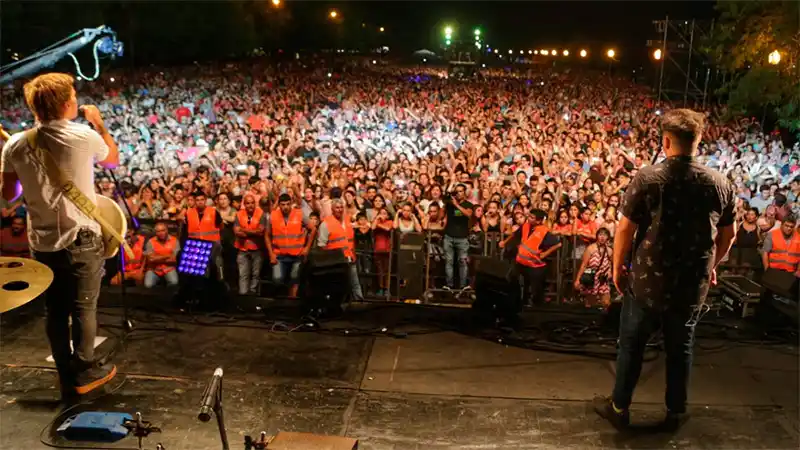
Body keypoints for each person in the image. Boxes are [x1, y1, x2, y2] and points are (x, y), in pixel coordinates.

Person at [597, 109, 737, 431]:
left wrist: (618, 268)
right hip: (691, 286)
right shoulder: (720, 183)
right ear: (698, 142)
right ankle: (676, 412)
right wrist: (712, 266)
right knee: (681, 348)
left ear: (665, 141)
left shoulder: (648, 178)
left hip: (647, 282)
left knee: (631, 345)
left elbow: (624, 229)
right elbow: (727, 236)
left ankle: (619, 408)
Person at [0, 72, 120, 400]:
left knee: (55, 311)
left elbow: (9, 195)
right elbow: (112, 160)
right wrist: (99, 123)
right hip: (80, 237)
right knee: (84, 307)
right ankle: (85, 371)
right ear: (68, 104)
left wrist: (27, 172)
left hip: (41, 241)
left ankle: (66, 374)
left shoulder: (16, 143)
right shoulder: (82, 135)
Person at [316, 198, 364, 301]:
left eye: (341, 207)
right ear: (332, 209)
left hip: (349, 259)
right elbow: (321, 246)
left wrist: (353, 255)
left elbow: (351, 240)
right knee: (336, 286)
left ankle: (360, 305)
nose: (340, 209)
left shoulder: (347, 220)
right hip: (335, 262)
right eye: (337, 208)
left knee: (355, 284)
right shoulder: (326, 224)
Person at [514, 209, 562, 305]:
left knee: (536, 291)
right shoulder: (525, 226)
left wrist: (545, 253)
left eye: (532, 217)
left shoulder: (543, 232)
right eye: (529, 216)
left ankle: (537, 309)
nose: (529, 218)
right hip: (522, 263)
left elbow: (558, 244)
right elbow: (514, 235)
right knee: (521, 287)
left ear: (538, 221)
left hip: (536, 266)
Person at [265, 193, 308, 298]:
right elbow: (267, 235)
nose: (285, 207)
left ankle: (291, 302)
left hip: (296, 254)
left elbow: (313, 228)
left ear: (291, 203)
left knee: (294, 278)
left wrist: (307, 247)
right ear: (279, 205)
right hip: (279, 254)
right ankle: (280, 302)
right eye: (283, 204)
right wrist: (271, 254)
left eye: (288, 204)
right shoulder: (273, 215)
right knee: (277, 279)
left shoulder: (299, 213)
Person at [234, 194, 266, 295]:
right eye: (248, 203)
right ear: (244, 204)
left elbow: (260, 232)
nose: (250, 205)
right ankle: (243, 297)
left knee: (256, 275)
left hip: (257, 249)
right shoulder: (239, 214)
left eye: (252, 203)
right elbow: (237, 232)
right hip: (242, 249)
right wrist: (253, 232)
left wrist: (244, 230)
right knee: (243, 275)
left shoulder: (261, 213)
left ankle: (253, 297)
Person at [443, 184, 474, 289]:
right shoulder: (449, 205)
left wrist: (456, 205)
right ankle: (449, 285)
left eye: (461, 191)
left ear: (465, 192)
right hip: (449, 236)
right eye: (457, 192)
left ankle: (463, 286)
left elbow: (468, 214)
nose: (458, 194)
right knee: (449, 262)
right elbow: (441, 216)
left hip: (462, 238)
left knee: (463, 262)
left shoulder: (468, 205)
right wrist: (446, 203)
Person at [573, 227, 613, 309]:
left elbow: (611, 263)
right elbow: (584, 265)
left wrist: (609, 271)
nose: (602, 237)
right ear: (597, 236)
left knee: (606, 303)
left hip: (603, 278)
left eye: (604, 235)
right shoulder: (591, 248)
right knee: (590, 303)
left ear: (607, 238)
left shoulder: (609, 250)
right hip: (592, 277)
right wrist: (578, 279)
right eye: (600, 234)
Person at [143, 221, 180, 287]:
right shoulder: (150, 241)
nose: (161, 233)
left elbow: (174, 259)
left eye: (163, 230)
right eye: (158, 231)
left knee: (174, 282)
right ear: (155, 232)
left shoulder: (175, 240)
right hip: (153, 269)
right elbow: (150, 259)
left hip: (169, 268)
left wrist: (156, 258)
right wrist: (167, 256)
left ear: (167, 230)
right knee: (148, 285)